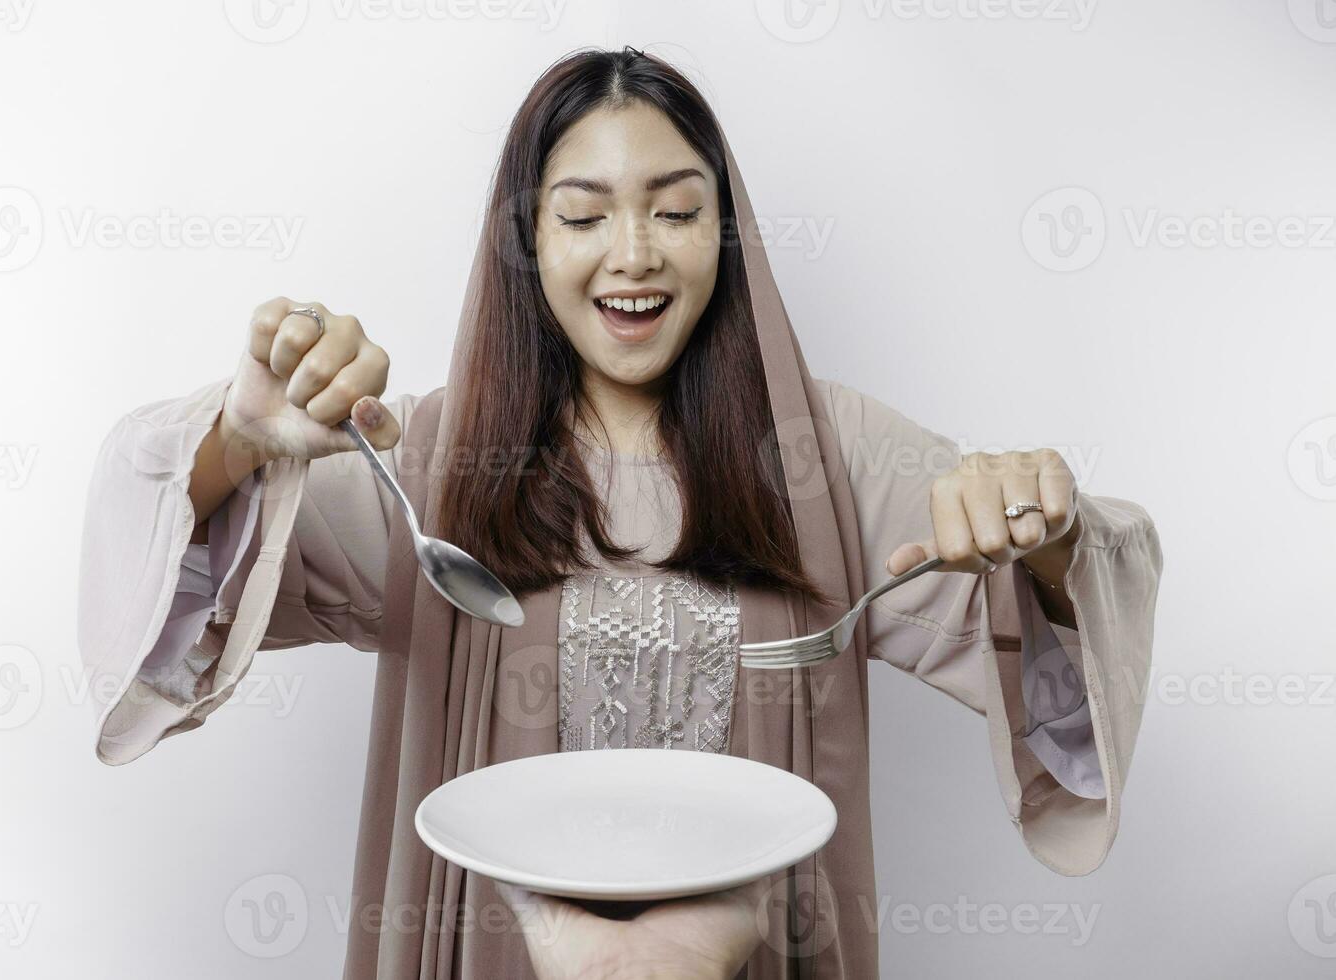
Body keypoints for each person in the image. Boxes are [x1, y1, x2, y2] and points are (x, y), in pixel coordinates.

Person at [78, 48, 1162, 979]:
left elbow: (1062, 616)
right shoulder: (432, 464)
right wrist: (241, 438)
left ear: (724, 236)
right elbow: (172, 572)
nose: (634, 252)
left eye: (678, 210)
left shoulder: (830, 456)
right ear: (529, 243)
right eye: (585, 214)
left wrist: (1048, 537)